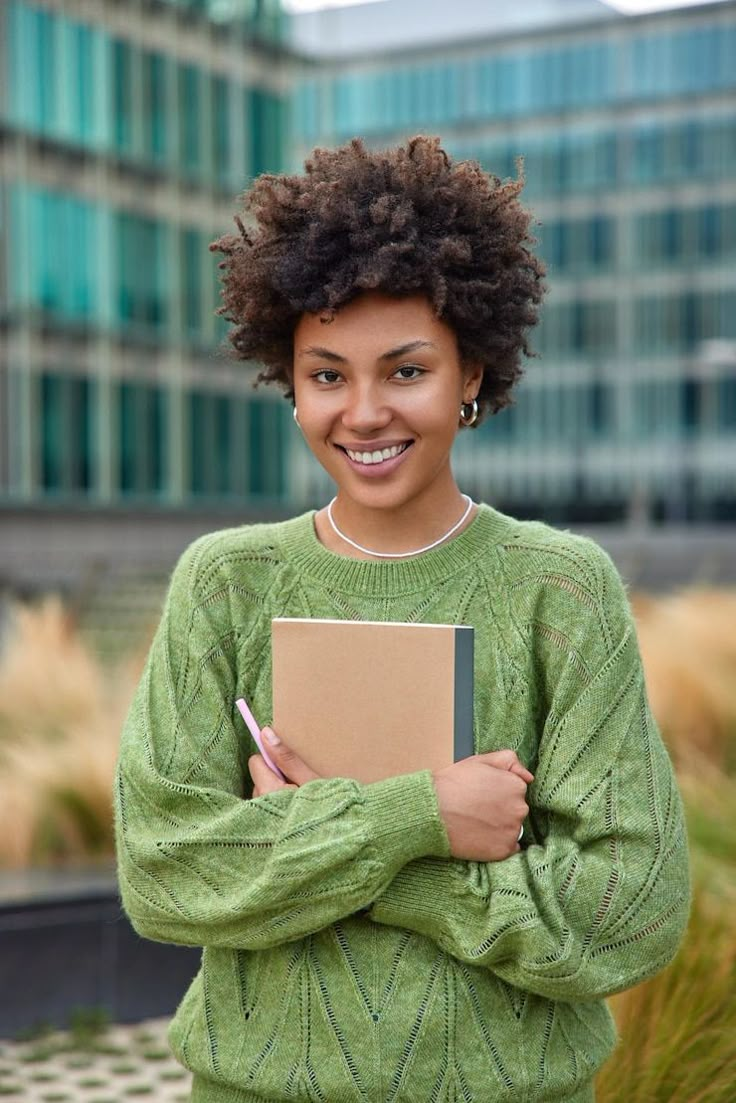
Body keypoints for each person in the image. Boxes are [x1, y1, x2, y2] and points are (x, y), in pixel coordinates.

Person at [114, 136, 691, 1103]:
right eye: (327, 375)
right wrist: (425, 817)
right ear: (288, 384)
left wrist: (322, 842)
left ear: (472, 372)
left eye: (407, 370)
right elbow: (164, 871)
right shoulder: (226, 584)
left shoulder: (561, 590)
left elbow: (630, 909)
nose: (365, 412)